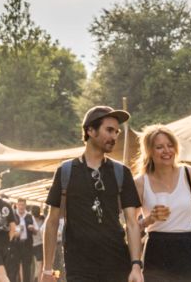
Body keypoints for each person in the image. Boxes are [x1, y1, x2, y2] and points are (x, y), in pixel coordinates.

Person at [42, 106, 144, 282]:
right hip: (79, 267)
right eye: (109, 130)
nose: (114, 137)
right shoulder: (66, 171)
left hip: (117, 264)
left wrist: (136, 266)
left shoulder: (121, 173)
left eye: (117, 132)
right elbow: (52, 222)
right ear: (90, 130)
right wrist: (47, 269)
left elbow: (132, 223)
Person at [135, 124, 191, 281]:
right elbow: (131, 226)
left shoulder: (188, 172)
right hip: (156, 248)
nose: (167, 151)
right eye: (159, 147)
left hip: (188, 245)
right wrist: (150, 219)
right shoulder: (140, 182)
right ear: (149, 151)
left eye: (170, 145)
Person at [8, 199, 35, 282]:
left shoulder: (30, 216)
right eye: (20, 205)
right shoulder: (12, 215)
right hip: (15, 245)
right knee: (14, 268)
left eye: (23, 205)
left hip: (27, 245)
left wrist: (32, 228)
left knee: (27, 268)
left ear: (25, 205)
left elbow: (37, 231)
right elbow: (8, 230)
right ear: (16, 205)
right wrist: (15, 233)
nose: (21, 207)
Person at [31, 205, 44, 282]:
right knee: (39, 266)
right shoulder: (42, 220)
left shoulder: (30, 220)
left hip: (32, 245)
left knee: (34, 266)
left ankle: (35, 279)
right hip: (39, 245)